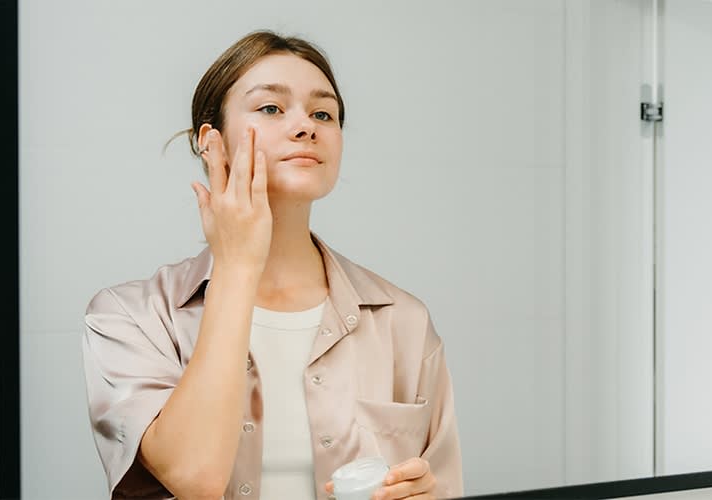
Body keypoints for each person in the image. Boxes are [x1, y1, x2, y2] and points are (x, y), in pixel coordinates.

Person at [81, 30, 464, 500]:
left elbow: (443, 486)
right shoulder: (130, 318)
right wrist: (239, 265)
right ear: (212, 143)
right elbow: (194, 476)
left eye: (324, 113)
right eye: (271, 108)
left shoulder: (403, 322)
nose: (307, 126)